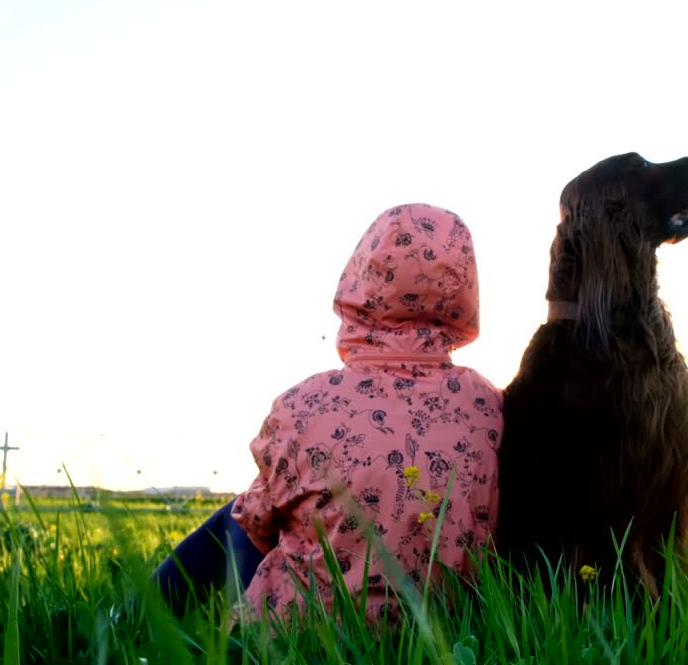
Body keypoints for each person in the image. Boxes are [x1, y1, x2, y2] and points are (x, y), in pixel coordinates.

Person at [154, 204, 503, 621]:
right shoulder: (490, 406)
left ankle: (136, 618)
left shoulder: (306, 404)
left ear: (360, 279)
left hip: (301, 638)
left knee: (238, 515)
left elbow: (257, 525)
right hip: (448, 634)